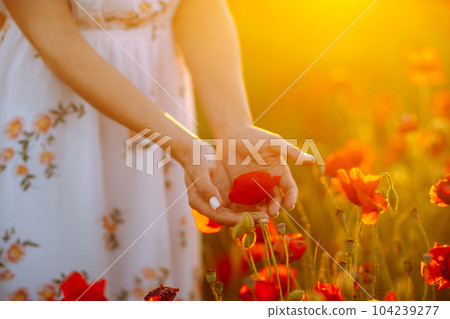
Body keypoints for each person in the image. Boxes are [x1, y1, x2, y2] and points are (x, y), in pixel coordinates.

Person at [0, 0, 313, 300]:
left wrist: (231, 128)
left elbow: (199, 6)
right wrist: (181, 145)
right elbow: (55, 37)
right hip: (58, 111)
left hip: (162, 101)